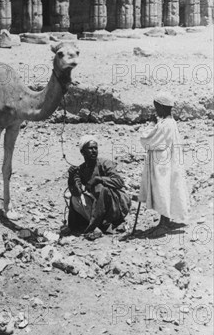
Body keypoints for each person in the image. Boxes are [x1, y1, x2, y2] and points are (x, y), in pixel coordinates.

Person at [138, 92, 189, 232]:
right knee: (168, 189)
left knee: (162, 189)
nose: (156, 111)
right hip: (167, 161)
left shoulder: (164, 125)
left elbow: (146, 139)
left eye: (157, 107)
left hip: (162, 164)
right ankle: (166, 220)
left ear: (161, 107)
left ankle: (164, 222)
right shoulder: (170, 123)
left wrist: (151, 123)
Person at [66, 135, 131, 239]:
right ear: (82, 152)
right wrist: (71, 177)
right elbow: (76, 192)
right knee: (74, 199)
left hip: (114, 203)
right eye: (90, 148)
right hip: (96, 206)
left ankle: (97, 226)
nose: (94, 151)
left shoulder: (105, 163)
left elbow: (119, 182)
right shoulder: (81, 169)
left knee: (103, 189)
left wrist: (98, 179)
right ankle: (96, 226)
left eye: (95, 148)